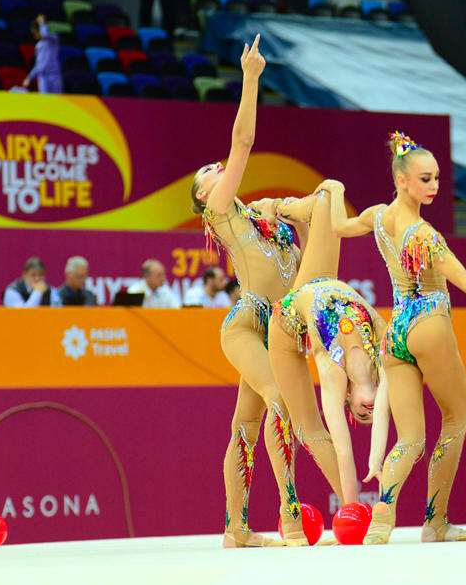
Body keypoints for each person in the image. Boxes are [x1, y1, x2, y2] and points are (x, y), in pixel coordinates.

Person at [327, 132, 466, 543]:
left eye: (438, 178)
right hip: (429, 321)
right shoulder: (425, 235)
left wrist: (335, 189)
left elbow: (337, 225)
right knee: (458, 419)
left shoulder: (377, 216)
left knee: (410, 438)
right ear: (402, 180)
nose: (435, 186)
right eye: (425, 179)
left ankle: (384, 511)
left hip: (396, 333)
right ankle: (435, 522)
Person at [191, 35, 314, 547]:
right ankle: (289, 518)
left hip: (281, 329)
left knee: (245, 426)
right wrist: (251, 77)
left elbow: (309, 255)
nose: (217, 170)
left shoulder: (262, 217)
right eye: (208, 174)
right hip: (247, 324)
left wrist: (292, 210)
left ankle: (236, 530)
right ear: (203, 197)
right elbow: (241, 145)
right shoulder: (221, 211)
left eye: (216, 169)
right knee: (283, 403)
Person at [268, 182, 390, 506]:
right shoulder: (383, 353)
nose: (369, 412)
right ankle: (290, 216)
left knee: (308, 428)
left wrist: (351, 508)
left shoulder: (334, 374)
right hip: (319, 280)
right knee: (324, 198)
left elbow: (344, 449)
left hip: (284, 322)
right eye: (373, 413)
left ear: (348, 398)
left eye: (361, 416)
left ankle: (283, 209)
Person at [22, 15, 61, 93]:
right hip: (42, 77)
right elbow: (39, 64)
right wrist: (29, 77)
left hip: (54, 75)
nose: (35, 36)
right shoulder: (39, 45)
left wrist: (42, 23)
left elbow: (45, 34)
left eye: (35, 33)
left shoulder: (53, 39)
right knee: (45, 102)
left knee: (57, 102)